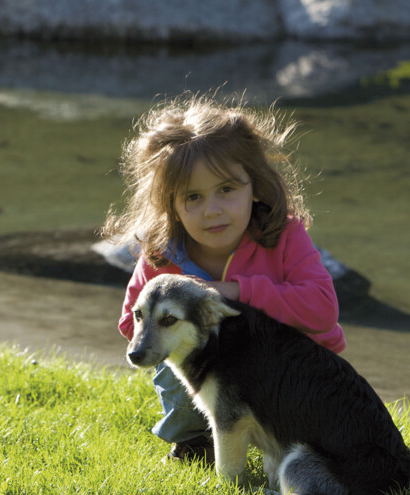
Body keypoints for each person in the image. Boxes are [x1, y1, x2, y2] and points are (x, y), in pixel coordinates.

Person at [103, 95, 345, 463]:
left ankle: (288, 448)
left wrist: (234, 292)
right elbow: (130, 321)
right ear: (171, 204)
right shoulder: (162, 253)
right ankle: (195, 440)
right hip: (208, 367)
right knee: (180, 362)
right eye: (193, 197)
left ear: (256, 185)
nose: (212, 210)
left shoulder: (283, 235)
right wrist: (180, 329)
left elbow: (323, 310)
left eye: (227, 190)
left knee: (298, 443)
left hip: (293, 373)